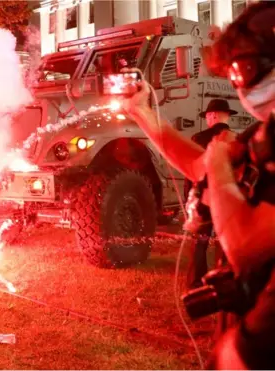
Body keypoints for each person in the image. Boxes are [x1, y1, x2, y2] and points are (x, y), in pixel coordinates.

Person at [123, 2, 275, 368]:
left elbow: (247, 244)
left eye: (242, 72)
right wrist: (143, 115)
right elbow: (199, 166)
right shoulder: (264, 133)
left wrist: (219, 163)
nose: (240, 89)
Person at [184, 99, 236, 289]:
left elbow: (190, 174)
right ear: (227, 116)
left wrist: (188, 201)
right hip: (227, 201)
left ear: (212, 115)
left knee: (200, 242)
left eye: (207, 116)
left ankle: (196, 282)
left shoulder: (198, 139)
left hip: (204, 200)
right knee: (225, 244)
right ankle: (223, 281)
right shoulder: (236, 140)